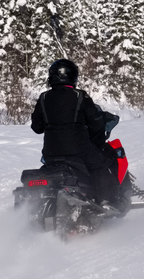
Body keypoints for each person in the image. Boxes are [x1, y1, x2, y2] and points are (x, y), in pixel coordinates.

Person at [30, 59, 126, 213]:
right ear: (73, 76)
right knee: (103, 164)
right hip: (79, 150)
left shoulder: (43, 98)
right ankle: (107, 201)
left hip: (50, 154)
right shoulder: (80, 96)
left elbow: (37, 127)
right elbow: (96, 123)